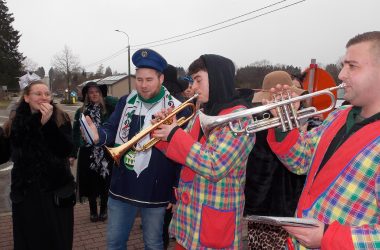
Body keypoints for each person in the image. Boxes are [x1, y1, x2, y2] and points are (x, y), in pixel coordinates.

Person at [267, 31, 380, 249]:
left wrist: (328, 237)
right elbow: (300, 161)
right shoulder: (338, 116)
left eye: (352, 66)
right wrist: (284, 124)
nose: (341, 75)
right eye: (343, 65)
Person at [152, 54, 256, 249]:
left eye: (198, 80)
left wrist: (174, 135)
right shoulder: (202, 113)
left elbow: (214, 165)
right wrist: (162, 134)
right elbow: (186, 154)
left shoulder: (239, 119)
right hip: (188, 223)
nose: (193, 87)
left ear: (217, 78)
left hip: (211, 226)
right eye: (193, 81)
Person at [84, 48, 185, 250]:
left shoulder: (177, 107)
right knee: (114, 243)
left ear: (161, 78)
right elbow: (111, 129)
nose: (143, 85)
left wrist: (175, 189)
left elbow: (182, 154)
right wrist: (98, 136)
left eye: (149, 79)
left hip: (158, 188)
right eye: (139, 79)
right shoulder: (126, 101)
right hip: (123, 184)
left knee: (154, 244)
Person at [1, 80, 75, 250]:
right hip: (27, 196)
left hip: (55, 194)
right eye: (38, 93)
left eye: (47, 94)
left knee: (57, 241)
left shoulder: (61, 117)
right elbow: (3, 155)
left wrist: (47, 124)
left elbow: (65, 150)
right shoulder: (15, 122)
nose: (43, 97)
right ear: (27, 97)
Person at [244, 71, 307, 249]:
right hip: (277, 205)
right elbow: (261, 167)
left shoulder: (292, 119)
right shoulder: (261, 123)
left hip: (268, 205)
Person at [70, 81, 118, 222]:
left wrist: (105, 97)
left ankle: (103, 210)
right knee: (91, 182)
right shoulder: (81, 112)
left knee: (105, 181)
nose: (94, 94)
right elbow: (75, 134)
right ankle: (92, 211)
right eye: (91, 92)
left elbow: (119, 103)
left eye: (97, 91)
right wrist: (73, 154)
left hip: (105, 151)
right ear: (87, 95)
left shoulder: (109, 109)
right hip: (88, 152)